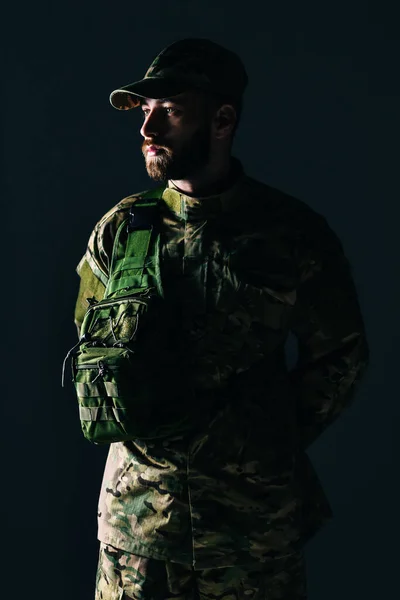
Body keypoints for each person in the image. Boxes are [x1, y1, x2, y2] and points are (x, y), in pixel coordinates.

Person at [73, 38, 370, 600]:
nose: (148, 129)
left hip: (250, 535)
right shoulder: (121, 230)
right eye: (144, 111)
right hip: (138, 530)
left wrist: (258, 440)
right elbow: (94, 344)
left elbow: (341, 356)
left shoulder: (290, 233)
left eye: (170, 111)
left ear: (222, 119)